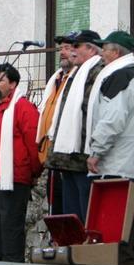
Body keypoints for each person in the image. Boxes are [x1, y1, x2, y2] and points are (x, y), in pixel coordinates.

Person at [85, 31, 134, 265]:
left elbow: (112, 119)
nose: (101, 54)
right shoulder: (130, 76)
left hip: (120, 162)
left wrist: (96, 151)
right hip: (130, 161)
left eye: (104, 49)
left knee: (124, 222)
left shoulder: (119, 77)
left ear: (115, 52)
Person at [0, 63, 42, 262]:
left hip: (13, 177)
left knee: (11, 229)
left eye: (0, 79)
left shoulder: (23, 107)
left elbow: (33, 143)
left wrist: (33, 172)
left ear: (13, 84)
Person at [46, 30, 104, 223]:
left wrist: (94, 150)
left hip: (83, 156)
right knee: (71, 218)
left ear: (91, 49)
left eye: (76, 46)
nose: (72, 51)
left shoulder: (97, 72)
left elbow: (91, 113)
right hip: (68, 158)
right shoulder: (76, 73)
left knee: (86, 217)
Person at [37, 32, 76, 215]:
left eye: (67, 48)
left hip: (67, 153)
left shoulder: (76, 79)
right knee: (56, 207)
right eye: (61, 48)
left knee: (68, 207)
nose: (62, 52)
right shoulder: (56, 79)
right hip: (52, 152)